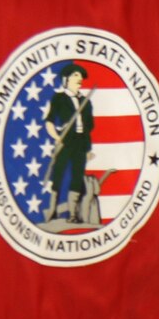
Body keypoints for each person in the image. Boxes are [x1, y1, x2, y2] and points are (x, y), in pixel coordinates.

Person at [45, 61, 95, 224]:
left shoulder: (86, 102)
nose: (79, 79)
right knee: (58, 174)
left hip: (80, 143)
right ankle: (52, 210)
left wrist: (87, 149)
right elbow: (49, 121)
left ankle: (73, 214)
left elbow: (88, 127)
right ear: (66, 79)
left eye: (81, 76)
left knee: (77, 177)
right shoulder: (59, 98)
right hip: (65, 141)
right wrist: (57, 138)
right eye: (76, 75)